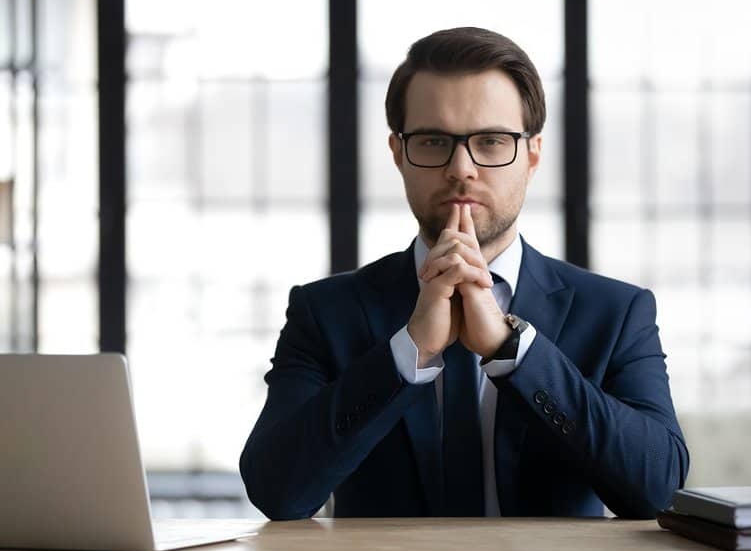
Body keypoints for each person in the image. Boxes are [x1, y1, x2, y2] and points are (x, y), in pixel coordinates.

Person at [240, 27, 689, 519]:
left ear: (532, 154)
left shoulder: (616, 312)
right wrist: (408, 350)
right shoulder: (324, 311)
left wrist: (511, 349)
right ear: (397, 153)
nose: (461, 168)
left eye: (491, 141)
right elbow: (275, 491)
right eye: (434, 141)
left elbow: (657, 488)